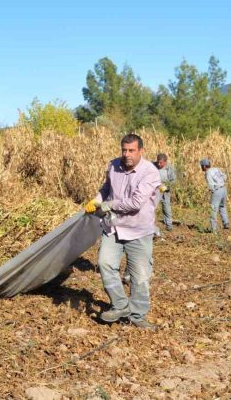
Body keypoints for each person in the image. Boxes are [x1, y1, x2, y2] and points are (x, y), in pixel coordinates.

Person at [84, 134, 161, 330]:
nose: (126, 154)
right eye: (124, 150)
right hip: (114, 227)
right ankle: (120, 305)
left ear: (141, 151)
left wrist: (108, 205)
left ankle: (137, 315)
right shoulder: (113, 166)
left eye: (131, 151)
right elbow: (106, 188)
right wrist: (97, 200)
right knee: (105, 264)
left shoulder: (150, 172)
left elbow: (135, 203)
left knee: (140, 275)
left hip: (139, 229)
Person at [200, 158, 229, 233]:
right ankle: (226, 223)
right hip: (224, 189)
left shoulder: (207, 173)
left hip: (217, 191)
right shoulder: (216, 169)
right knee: (222, 206)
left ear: (204, 166)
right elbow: (224, 176)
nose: (201, 167)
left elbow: (211, 185)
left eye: (201, 166)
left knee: (213, 209)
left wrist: (211, 191)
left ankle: (213, 228)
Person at [154, 153, 176, 232]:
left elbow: (173, 181)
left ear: (165, 162)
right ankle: (150, 224)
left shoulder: (170, 168)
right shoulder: (153, 165)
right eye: (158, 162)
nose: (159, 164)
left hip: (165, 190)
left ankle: (169, 225)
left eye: (161, 163)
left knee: (166, 207)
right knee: (152, 207)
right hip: (155, 190)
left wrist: (165, 187)